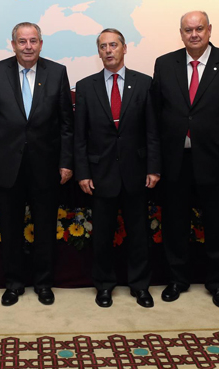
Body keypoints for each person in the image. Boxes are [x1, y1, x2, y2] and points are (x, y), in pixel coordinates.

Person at [151, 11, 219, 308]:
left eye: (199, 28)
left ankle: (218, 283)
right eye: (188, 30)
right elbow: (155, 116)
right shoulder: (164, 64)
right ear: (181, 33)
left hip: (217, 159)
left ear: (209, 30)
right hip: (175, 160)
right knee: (174, 224)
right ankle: (177, 280)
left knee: (218, 225)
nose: (194, 34)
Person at [0, 22, 74, 307]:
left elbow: (66, 124)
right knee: (10, 229)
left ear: (41, 44)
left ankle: (43, 283)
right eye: (22, 41)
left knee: (45, 228)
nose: (28, 46)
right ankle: (14, 283)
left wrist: (66, 162)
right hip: (6, 165)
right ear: (13, 44)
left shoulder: (57, 72)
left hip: (46, 165)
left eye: (33, 41)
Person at [74, 28, 161, 308]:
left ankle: (140, 286)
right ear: (98, 52)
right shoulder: (85, 86)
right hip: (100, 174)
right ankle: (104, 286)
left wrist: (153, 168)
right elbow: (79, 136)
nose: (108, 50)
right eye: (103, 46)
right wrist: (83, 172)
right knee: (102, 235)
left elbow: (152, 131)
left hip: (137, 172)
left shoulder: (144, 83)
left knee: (139, 234)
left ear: (124, 48)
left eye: (113, 45)